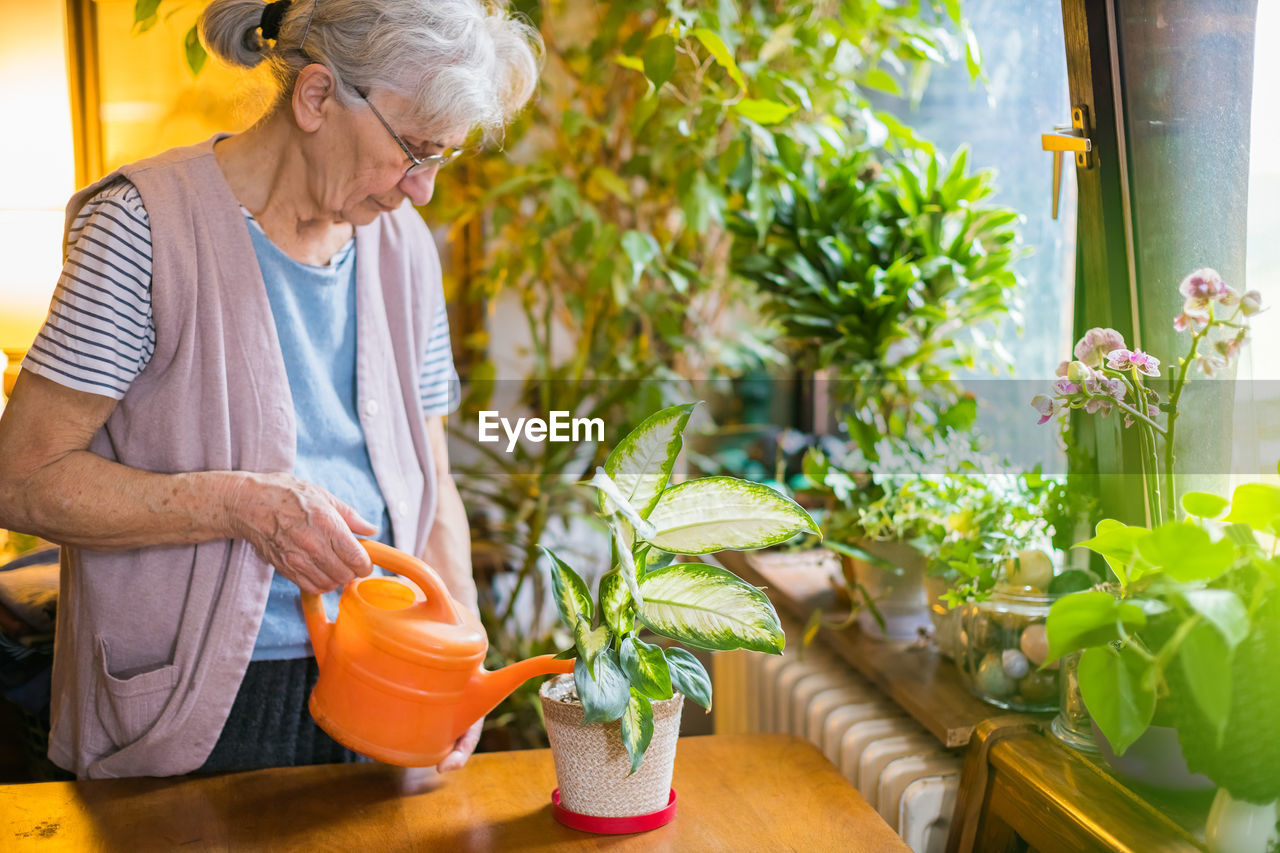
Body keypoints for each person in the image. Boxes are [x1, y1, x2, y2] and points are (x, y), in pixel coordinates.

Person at [0, 0, 542, 779]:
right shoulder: (141, 230)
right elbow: (21, 481)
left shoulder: (405, 248)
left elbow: (430, 477)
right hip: (186, 701)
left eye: (442, 159)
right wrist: (243, 505)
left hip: (381, 675)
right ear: (317, 95)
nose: (421, 190)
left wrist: (461, 648)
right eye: (413, 150)